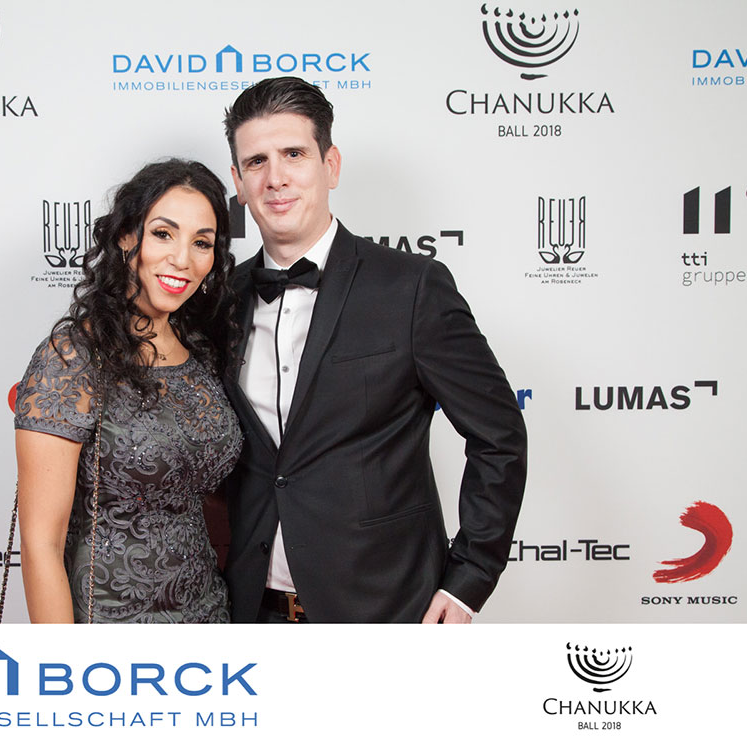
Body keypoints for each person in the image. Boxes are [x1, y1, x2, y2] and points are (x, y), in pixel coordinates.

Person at [221, 77, 527, 623]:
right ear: (238, 182)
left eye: (294, 154)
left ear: (331, 165)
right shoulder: (219, 300)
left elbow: (499, 436)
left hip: (386, 610)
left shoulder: (411, 287)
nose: (275, 178)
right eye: (256, 162)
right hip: (251, 614)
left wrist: (468, 580)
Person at [13, 159, 242, 623]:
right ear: (124, 236)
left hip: (209, 617)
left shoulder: (202, 349)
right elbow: (41, 544)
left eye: (201, 242)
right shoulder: (73, 357)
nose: (182, 258)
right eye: (163, 234)